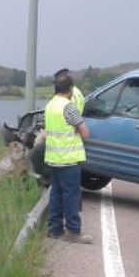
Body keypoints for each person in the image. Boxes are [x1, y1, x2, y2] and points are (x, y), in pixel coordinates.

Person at [45, 73, 92, 244]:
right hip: (68, 159)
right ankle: (73, 231)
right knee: (71, 195)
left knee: (56, 194)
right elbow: (86, 133)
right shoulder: (68, 107)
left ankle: (54, 230)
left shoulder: (50, 105)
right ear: (71, 89)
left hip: (52, 158)